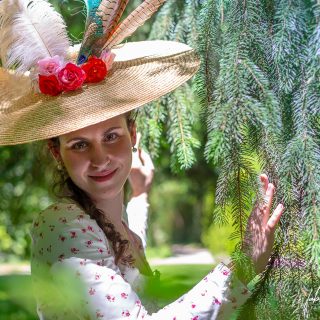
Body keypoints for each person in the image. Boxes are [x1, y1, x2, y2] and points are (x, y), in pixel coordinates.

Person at [0, 0, 284, 319]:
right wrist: (241, 269)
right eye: (79, 145)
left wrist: (140, 197)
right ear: (57, 152)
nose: (100, 158)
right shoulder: (62, 226)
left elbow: (121, 249)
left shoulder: (103, 218)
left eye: (111, 136)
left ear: (132, 134)